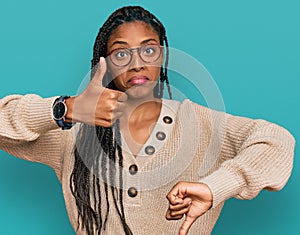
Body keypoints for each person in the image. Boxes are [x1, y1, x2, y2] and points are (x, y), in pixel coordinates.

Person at [0, 5, 295, 235]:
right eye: (121, 53)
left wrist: (216, 187)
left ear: (162, 56)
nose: (137, 62)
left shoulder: (198, 123)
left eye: (149, 49)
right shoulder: (73, 134)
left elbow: (278, 142)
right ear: (103, 63)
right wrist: (66, 109)